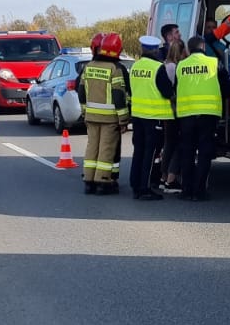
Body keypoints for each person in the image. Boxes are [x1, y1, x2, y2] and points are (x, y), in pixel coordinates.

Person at [175, 35, 230, 201]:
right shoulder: (214, 63)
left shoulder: (181, 65)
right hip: (208, 114)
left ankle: (186, 190)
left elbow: (176, 88)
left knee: (187, 152)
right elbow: (227, 88)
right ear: (203, 47)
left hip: (186, 115)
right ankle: (199, 191)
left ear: (189, 49)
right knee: (204, 153)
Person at [78, 33, 129, 194]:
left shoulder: (89, 66)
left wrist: (84, 112)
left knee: (92, 147)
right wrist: (123, 120)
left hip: (91, 116)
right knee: (106, 149)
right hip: (109, 118)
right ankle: (103, 182)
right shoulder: (115, 69)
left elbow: (81, 92)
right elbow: (119, 96)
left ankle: (88, 181)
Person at [129, 36, 175, 201]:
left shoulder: (135, 66)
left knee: (139, 150)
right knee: (151, 153)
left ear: (142, 49)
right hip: (154, 117)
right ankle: (145, 188)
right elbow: (167, 91)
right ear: (155, 50)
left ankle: (135, 184)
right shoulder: (157, 68)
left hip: (137, 115)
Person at [161, 37, 187, 192]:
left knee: (168, 144)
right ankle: (171, 180)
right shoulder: (177, 68)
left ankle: (163, 177)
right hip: (176, 111)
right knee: (179, 144)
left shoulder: (164, 65)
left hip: (165, 112)